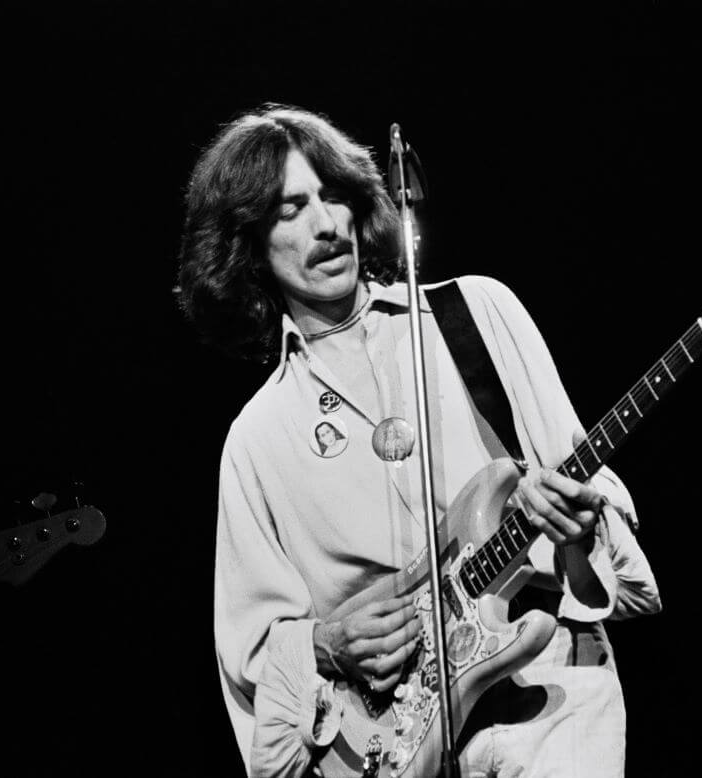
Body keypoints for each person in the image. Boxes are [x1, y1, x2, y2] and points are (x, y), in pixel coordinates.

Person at [175, 105, 662, 778]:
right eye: (290, 209)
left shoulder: (475, 312)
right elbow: (252, 648)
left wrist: (577, 527)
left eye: (334, 195)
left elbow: (589, 499)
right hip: (398, 740)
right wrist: (326, 642)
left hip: (553, 684)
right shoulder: (257, 440)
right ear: (247, 246)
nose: (326, 223)